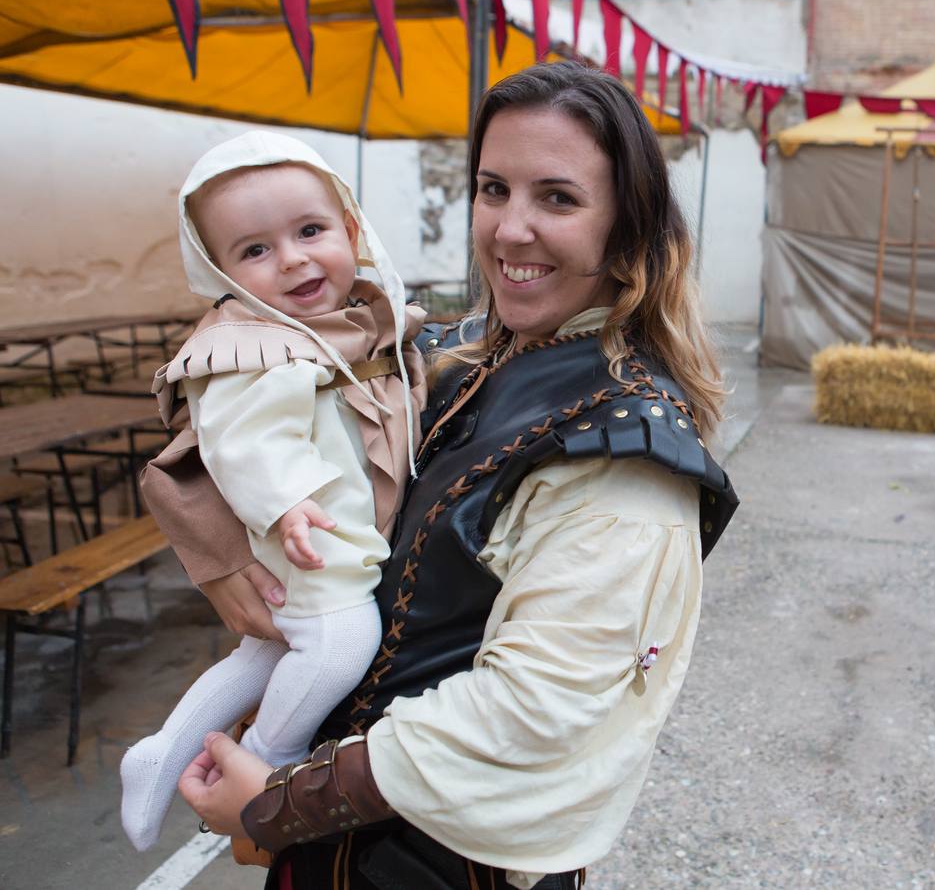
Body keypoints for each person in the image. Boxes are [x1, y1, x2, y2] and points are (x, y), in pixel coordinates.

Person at [141, 60, 738, 890]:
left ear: (627, 227)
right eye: (494, 190)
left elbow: (530, 713)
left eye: (557, 199)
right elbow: (235, 403)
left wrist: (278, 802)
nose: (509, 229)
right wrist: (223, 552)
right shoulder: (454, 358)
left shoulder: (628, 460)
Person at [120, 131, 426, 851]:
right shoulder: (249, 344)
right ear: (218, 271)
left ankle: (163, 751)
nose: (291, 259)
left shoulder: (352, 329)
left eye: (311, 231)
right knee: (341, 642)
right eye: (254, 251)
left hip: (330, 537)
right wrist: (286, 501)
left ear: (351, 230)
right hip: (308, 539)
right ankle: (268, 760)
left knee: (262, 656)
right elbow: (244, 438)